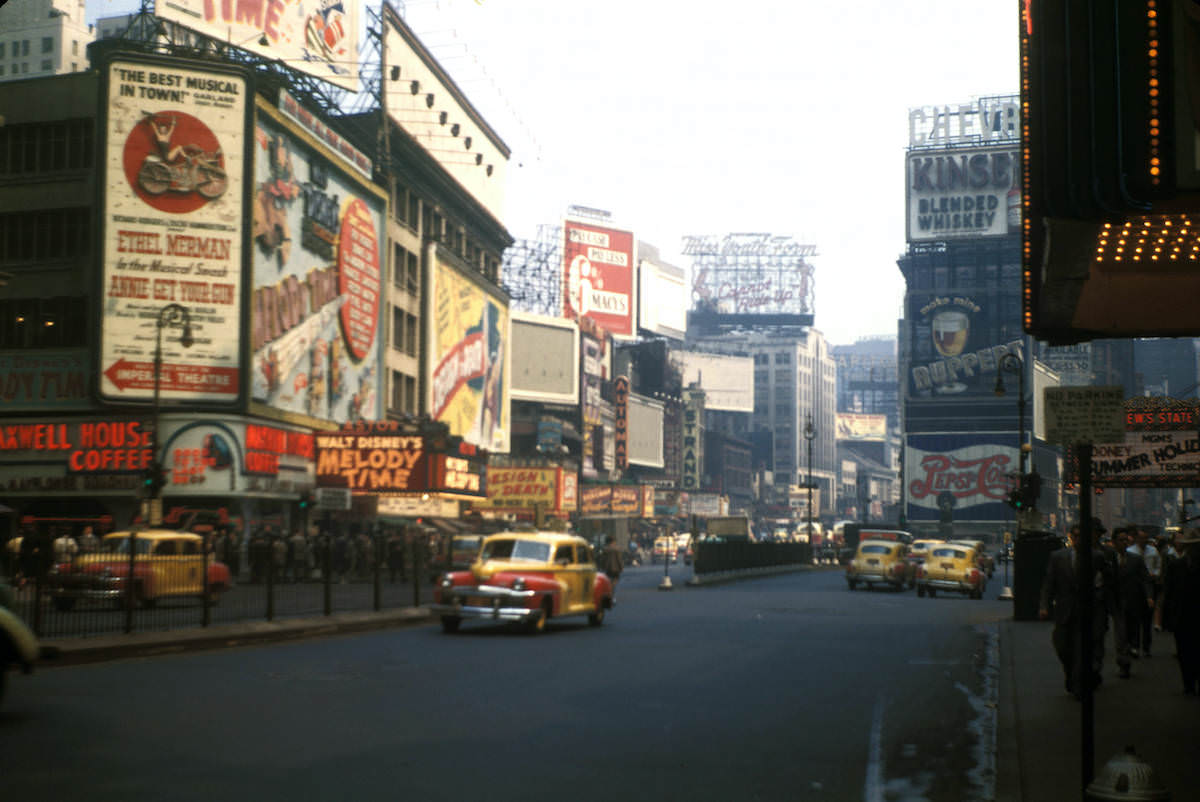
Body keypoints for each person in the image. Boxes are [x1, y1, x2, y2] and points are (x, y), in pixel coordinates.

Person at [1039, 523, 1114, 697]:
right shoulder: (1058, 557)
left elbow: (1108, 579)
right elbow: (1049, 584)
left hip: (1088, 610)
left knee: (1082, 649)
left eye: (1082, 536)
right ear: (1071, 537)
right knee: (1063, 647)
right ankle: (1070, 673)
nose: (1079, 540)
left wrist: (1102, 598)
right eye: (1076, 536)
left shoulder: (1097, 556)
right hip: (1065, 610)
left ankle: (1079, 684)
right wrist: (1044, 606)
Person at [1159, 528, 1200, 694]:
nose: (1194, 549)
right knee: (1184, 652)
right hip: (1182, 616)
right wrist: (1167, 617)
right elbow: (1168, 592)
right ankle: (1188, 683)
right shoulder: (1176, 565)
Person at [1111, 528, 1154, 679]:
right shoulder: (1108, 559)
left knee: (1131, 630)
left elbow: (1145, 578)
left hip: (1134, 601)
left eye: (1126, 540)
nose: (1124, 543)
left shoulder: (1135, 559)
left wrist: (1149, 596)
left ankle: (1130, 649)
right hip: (1116, 602)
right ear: (1114, 542)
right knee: (1121, 633)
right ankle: (1124, 663)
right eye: (1121, 540)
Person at [1127, 527, 1162, 656]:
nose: (1143, 540)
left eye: (1145, 538)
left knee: (1147, 620)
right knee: (1135, 619)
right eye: (1141, 537)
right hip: (1135, 588)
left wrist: (1156, 574)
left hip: (1150, 585)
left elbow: (1159, 565)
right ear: (1136, 538)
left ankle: (1146, 647)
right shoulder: (1130, 551)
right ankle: (1135, 645)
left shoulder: (1153, 551)